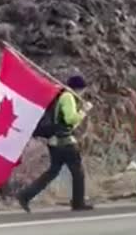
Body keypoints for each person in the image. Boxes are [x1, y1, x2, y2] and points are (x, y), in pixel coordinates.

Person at [16, 75, 93, 212]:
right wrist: (83, 111)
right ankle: (78, 203)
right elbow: (70, 119)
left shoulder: (59, 96)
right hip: (64, 142)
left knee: (53, 172)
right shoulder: (68, 97)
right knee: (77, 172)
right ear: (80, 89)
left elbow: (66, 123)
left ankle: (25, 195)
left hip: (54, 141)